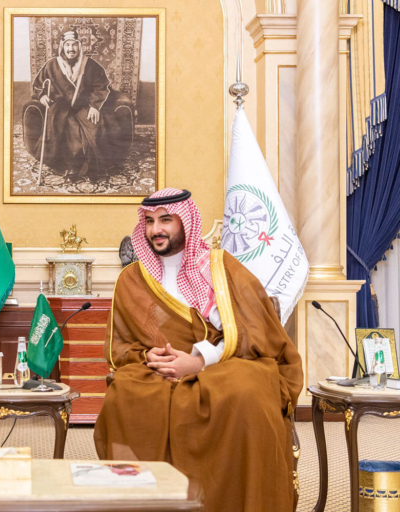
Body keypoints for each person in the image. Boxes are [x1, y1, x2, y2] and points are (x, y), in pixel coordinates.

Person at [93, 188, 303, 512]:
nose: (156, 229)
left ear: (185, 221)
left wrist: (199, 362)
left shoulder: (220, 267)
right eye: (149, 221)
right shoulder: (132, 279)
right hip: (157, 370)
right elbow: (119, 345)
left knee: (246, 393)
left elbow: (253, 331)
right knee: (125, 395)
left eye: (165, 220)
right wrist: (147, 356)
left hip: (222, 362)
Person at [22, 29, 133, 182]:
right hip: (61, 108)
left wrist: (95, 106)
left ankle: (92, 167)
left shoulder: (91, 65)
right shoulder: (52, 65)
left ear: (79, 46)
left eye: (74, 45)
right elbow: (38, 85)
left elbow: (102, 86)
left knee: (95, 126)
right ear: (62, 46)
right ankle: (71, 167)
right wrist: (42, 96)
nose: (71, 49)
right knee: (67, 128)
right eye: (67, 45)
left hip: (85, 105)